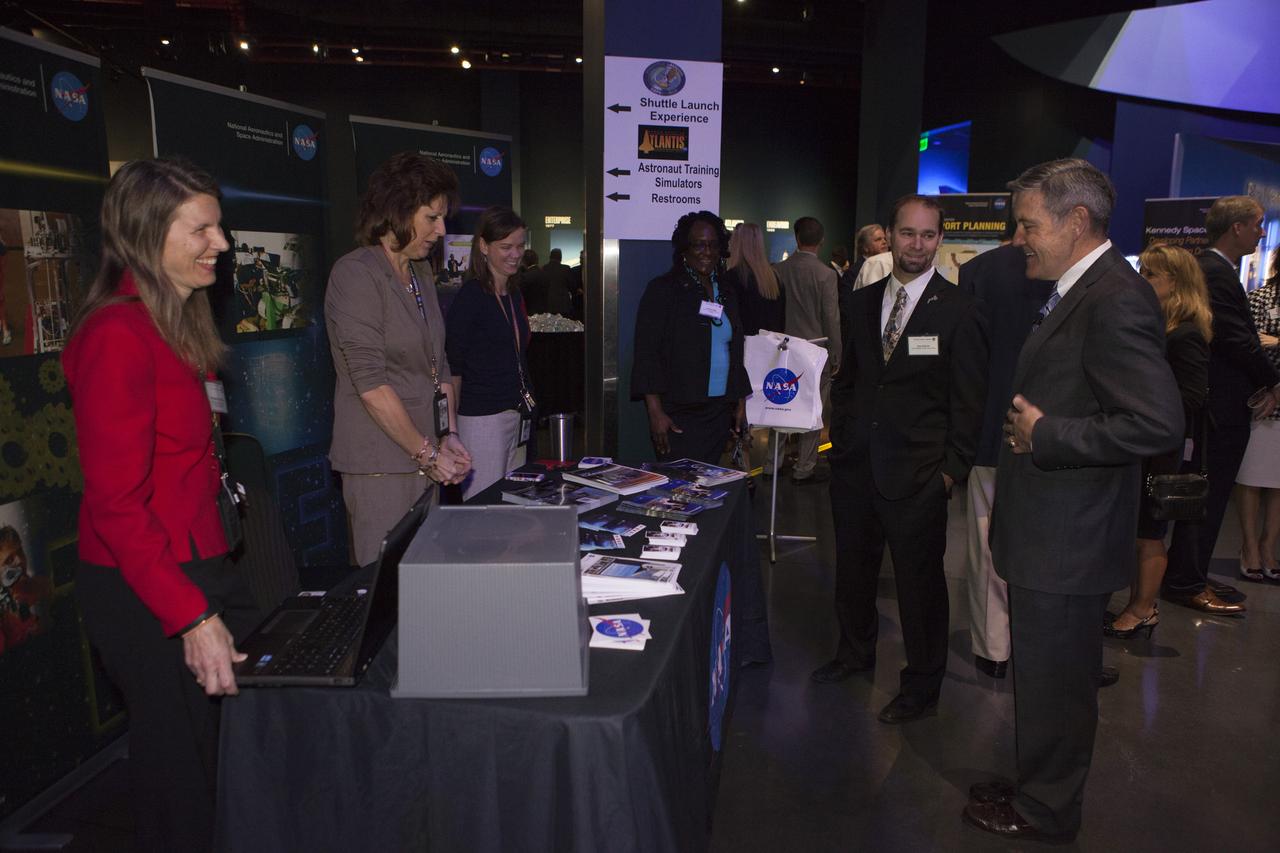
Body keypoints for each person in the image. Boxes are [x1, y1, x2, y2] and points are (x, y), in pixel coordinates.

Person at [965, 158, 1182, 842]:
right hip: (1053, 532)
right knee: (1047, 679)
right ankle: (1039, 785)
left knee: (1059, 688)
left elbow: (1156, 422)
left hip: (1070, 540)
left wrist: (1048, 433)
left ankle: (1046, 809)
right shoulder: (1077, 289)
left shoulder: (1114, 297)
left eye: (1029, 224)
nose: (1020, 236)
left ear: (1076, 221)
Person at [61, 158, 263, 851]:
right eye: (202, 227)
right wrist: (191, 616)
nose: (223, 243)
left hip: (199, 561)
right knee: (180, 777)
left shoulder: (178, 319)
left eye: (220, 224)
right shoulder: (116, 335)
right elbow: (117, 505)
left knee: (213, 763)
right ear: (149, 234)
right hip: (146, 585)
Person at [814, 194, 987, 727]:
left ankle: (922, 685)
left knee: (920, 588)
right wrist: (839, 440)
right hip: (855, 468)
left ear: (940, 240)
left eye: (928, 235)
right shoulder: (861, 301)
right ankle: (855, 653)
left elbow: (970, 400)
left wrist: (950, 471)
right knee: (853, 572)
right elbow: (851, 381)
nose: (917, 244)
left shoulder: (959, 310)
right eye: (907, 233)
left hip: (918, 476)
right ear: (890, 235)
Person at [325, 152, 471, 566]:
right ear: (396, 210)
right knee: (390, 597)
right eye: (431, 217)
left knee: (428, 588)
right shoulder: (356, 274)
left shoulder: (421, 273)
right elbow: (369, 384)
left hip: (425, 457)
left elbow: (436, 364)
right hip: (381, 467)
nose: (441, 230)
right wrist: (427, 453)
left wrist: (449, 437)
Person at [1162, 195, 1277, 613]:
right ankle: (1185, 580)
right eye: (1259, 224)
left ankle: (1191, 573)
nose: (1263, 232)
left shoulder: (1214, 271)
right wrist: (1273, 382)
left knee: (1207, 495)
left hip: (1220, 404)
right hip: (1219, 407)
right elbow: (1236, 340)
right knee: (1205, 495)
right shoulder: (1215, 272)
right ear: (1237, 228)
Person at [957, 237, 1055, 677]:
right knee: (1048, 546)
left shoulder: (980, 270)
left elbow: (968, 358)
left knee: (985, 541)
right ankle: (1038, 648)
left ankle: (993, 648)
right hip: (1054, 433)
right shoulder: (1065, 267)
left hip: (990, 424)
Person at [1104, 243, 1212, 637]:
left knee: (1149, 533)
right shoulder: (1160, 325)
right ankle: (1137, 603)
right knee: (1138, 531)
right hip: (1146, 446)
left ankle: (1144, 607)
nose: (1144, 280)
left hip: (1163, 451)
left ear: (1176, 282)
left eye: (1152, 274)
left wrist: (1147, 400)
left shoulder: (1185, 335)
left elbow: (1194, 396)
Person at [632, 211, 751, 464]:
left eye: (713, 244)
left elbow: (736, 349)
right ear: (685, 248)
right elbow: (646, 354)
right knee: (680, 495)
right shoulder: (663, 290)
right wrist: (655, 412)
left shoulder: (727, 291)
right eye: (698, 244)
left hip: (719, 412)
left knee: (709, 491)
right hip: (678, 414)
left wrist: (740, 403)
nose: (706, 251)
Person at [446, 207, 536, 500]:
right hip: (481, 417)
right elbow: (454, 368)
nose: (515, 254)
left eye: (520, 246)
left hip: (516, 412)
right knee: (483, 509)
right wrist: (452, 430)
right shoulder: (471, 297)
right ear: (484, 246)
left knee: (512, 502)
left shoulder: (514, 293)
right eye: (506, 247)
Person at [774, 216, 841, 483]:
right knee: (813, 409)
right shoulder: (826, 275)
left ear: (796, 238)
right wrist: (837, 353)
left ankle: (772, 463)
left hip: (782, 350)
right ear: (821, 241)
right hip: (815, 351)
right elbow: (831, 318)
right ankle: (804, 467)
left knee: (777, 404)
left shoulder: (778, 270)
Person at [1235, 249, 1280, 582]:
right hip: (1261, 401)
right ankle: (1250, 547)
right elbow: (1249, 346)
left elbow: (1267, 342)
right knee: (1251, 479)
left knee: (1279, 485)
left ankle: (1268, 548)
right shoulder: (1259, 298)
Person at [727, 222, 785, 335]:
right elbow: (780, 321)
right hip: (770, 347)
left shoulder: (732, 277)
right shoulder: (775, 279)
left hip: (743, 347)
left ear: (737, 244)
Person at [541, 247, 573, 316]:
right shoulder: (566, 269)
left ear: (550, 257)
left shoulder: (544, 268)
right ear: (560, 258)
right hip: (563, 303)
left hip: (548, 303)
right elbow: (571, 285)